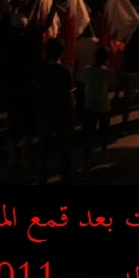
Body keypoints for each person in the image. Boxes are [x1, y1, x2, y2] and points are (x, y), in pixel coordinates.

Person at [32, 36, 76, 184]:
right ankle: (66, 176)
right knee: (64, 149)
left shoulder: (40, 69)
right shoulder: (65, 71)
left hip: (44, 113)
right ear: (61, 52)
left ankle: (41, 177)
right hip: (60, 114)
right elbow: (69, 97)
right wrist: (72, 118)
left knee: (43, 149)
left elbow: (36, 92)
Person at [81, 44, 116, 169]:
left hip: (90, 105)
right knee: (104, 132)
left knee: (89, 134)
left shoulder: (87, 70)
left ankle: (87, 159)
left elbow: (82, 82)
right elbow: (112, 85)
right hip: (104, 105)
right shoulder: (109, 72)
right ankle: (104, 154)